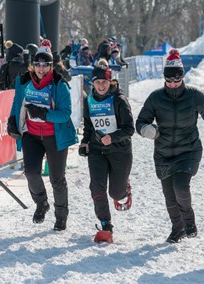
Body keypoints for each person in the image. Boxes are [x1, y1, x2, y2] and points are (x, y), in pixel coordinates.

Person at [136, 49, 204, 244]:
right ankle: (177, 228)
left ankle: (189, 222)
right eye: (169, 79)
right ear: (164, 78)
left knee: (181, 187)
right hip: (163, 153)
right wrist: (147, 130)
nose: (173, 83)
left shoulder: (194, 96)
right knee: (169, 196)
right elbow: (140, 122)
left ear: (182, 76)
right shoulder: (155, 98)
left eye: (177, 79)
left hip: (189, 150)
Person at [7, 40, 78, 231]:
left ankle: (61, 216)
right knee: (31, 172)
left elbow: (65, 114)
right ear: (33, 65)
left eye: (45, 64)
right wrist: (12, 120)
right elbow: (17, 102)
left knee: (57, 179)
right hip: (31, 135)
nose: (41, 68)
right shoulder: (24, 81)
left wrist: (45, 114)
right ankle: (41, 203)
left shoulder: (59, 85)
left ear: (51, 66)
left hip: (55, 136)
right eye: (37, 64)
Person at [79, 59, 134, 243]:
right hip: (97, 150)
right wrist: (85, 142)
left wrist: (114, 137)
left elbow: (129, 129)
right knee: (97, 186)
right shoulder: (89, 100)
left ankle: (124, 187)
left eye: (104, 82)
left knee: (115, 194)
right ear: (92, 83)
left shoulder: (119, 100)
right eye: (97, 82)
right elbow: (88, 125)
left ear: (110, 82)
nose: (101, 85)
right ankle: (105, 225)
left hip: (120, 150)